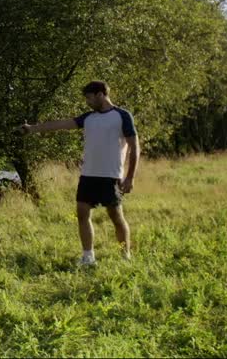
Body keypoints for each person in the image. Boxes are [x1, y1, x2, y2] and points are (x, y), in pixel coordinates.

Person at [18, 81, 139, 267]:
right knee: (82, 214)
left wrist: (130, 177)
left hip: (111, 176)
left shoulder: (122, 116)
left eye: (89, 98)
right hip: (88, 175)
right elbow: (61, 124)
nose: (87, 102)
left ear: (100, 95)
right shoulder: (88, 118)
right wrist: (33, 128)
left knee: (116, 217)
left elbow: (134, 147)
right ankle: (88, 257)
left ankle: (125, 256)